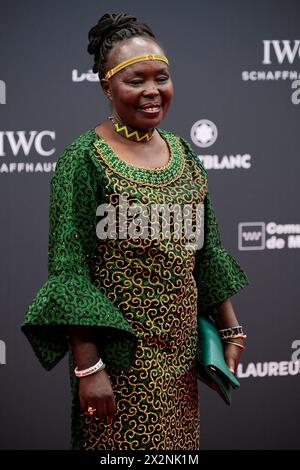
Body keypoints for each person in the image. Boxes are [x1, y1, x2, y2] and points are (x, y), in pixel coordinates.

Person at [22, 12, 250, 451]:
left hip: (181, 360)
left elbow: (207, 252)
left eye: (161, 77)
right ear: (107, 87)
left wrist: (231, 329)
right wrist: (89, 369)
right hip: (119, 362)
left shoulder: (185, 154)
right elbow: (70, 275)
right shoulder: (83, 160)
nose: (152, 91)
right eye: (135, 80)